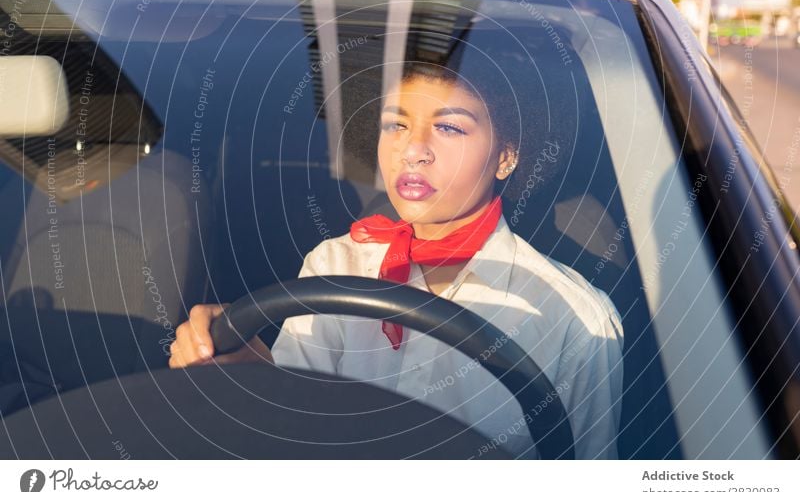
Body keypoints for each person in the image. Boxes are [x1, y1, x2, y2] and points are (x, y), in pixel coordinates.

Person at [169, 60, 624, 459]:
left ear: (506, 156)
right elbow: (297, 431)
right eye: (396, 125)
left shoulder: (577, 319)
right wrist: (247, 365)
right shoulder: (334, 265)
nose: (412, 150)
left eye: (448, 128)